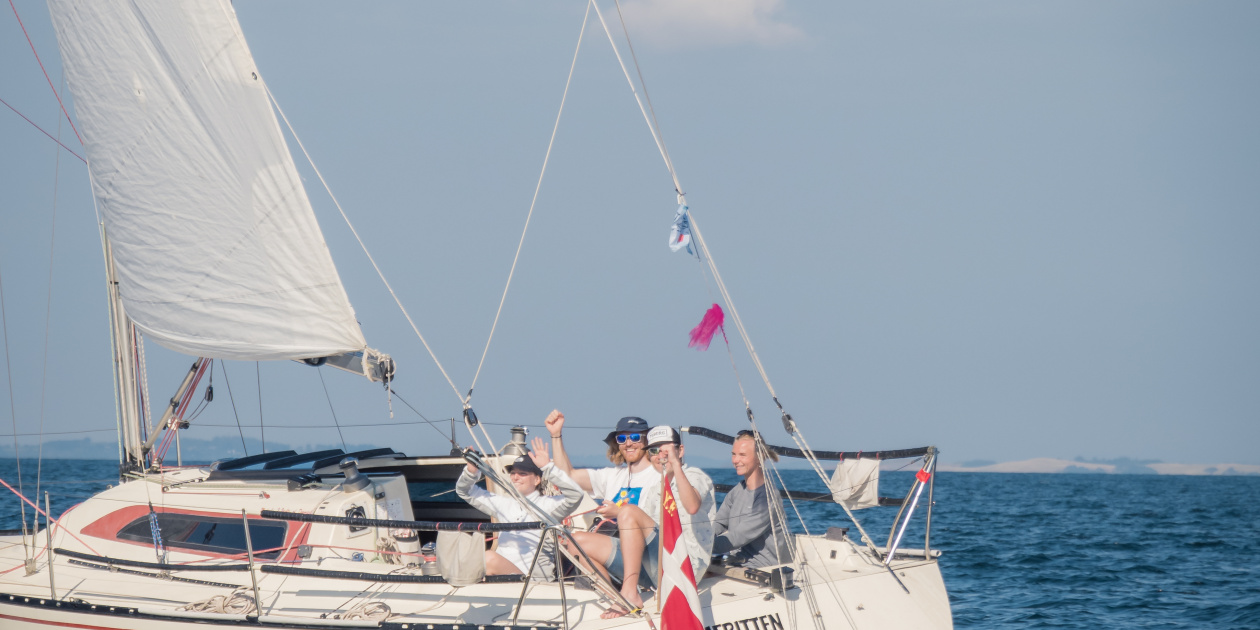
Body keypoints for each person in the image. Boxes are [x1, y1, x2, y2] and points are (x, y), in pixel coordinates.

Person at [567, 425, 715, 618]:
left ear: (680, 450)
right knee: (575, 541)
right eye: (654, 451)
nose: (660, 456)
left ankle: (629, 594)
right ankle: (618, 598)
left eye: (666, 450)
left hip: (686, 567)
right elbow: (644, 532)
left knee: (627, 511)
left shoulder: (695, 476)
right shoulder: (656, 490)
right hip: (658, 567)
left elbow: (692, 506)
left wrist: (676, 465)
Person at [455, 436, 583, 576]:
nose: (515, 477)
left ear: (537, 479)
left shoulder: (548, 506)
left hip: (529, 576)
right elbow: (464, 491)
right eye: (513, 473)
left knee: (488, 557)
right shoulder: (504, 504)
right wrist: (471, 471)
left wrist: (547, 467)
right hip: (498, 571)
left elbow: (576, 495)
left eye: (522, 473)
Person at [545, 410, 661, 508]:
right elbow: (567, 477)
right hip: (610, 533)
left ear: (647, 441)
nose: (628, 443)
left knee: (579, 536)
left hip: (643, 534)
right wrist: (556, 434)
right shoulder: (611, 476)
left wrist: (617, 512)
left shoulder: (660, 476)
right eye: (621, 439)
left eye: (635, 437)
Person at [713, 430, 791, 569]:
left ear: (759, 457)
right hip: (736, 563)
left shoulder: (768, 497)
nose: (736, 460)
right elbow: (718, 524)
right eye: (734, 454)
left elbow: (738, 536)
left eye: (742, 455)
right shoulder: (736, 491)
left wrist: (700, 546)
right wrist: (696, 538)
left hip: (763, 570)